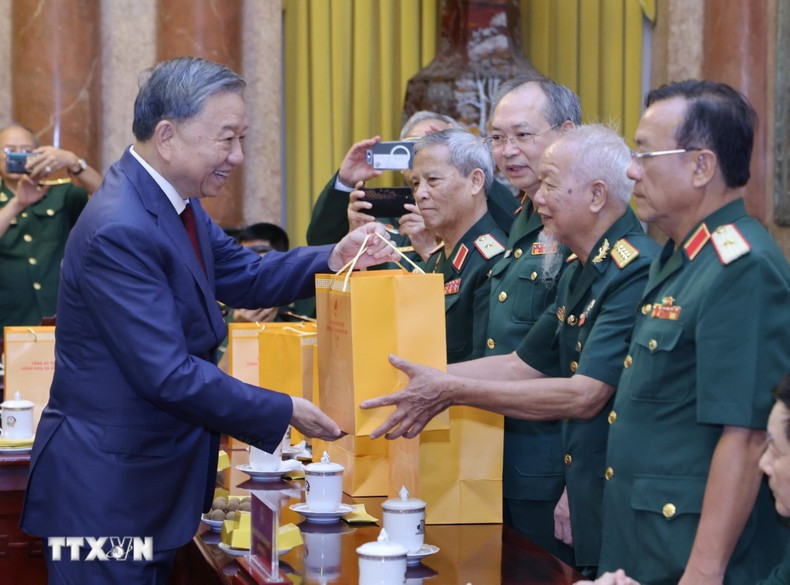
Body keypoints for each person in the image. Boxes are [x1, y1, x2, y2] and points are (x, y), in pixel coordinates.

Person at [20, 57, 394, 585]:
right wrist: (285, 409)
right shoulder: (120, 227)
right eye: (226, 139)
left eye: (242, 139)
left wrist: (334, 255)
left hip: (145, 485)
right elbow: (168, 374)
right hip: (106, 496)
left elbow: (246, 275)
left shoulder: (173, 203)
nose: (237, 156)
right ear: (167, 136)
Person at [362, 125, 660, 575]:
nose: (537, 199)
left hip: (616, 485)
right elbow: (522, 364)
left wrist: (450, 389)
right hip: (585, 478)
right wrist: (416, 377)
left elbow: (585, 395)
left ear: (597, 195)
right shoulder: (578, 268)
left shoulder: (632, 268)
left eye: (550, 186)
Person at [596, 80, 790, 584]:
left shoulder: (741, 267)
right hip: (646, 540)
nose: (631, 170)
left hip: (691, 555)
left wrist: (702, 573)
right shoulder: (682, 256)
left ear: (702, 166)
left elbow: (746, 435)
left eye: (644, 154)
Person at [482, 75, 581, 561]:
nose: (507, 151)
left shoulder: (581, 218)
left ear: (566, 133)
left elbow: (588, 371)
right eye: (497, 138)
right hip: (506, 454)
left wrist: (575, 484)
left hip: (551, 465)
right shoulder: (525, 210)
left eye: (522, 135)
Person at [305, 110, 518, 258]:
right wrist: (346, 182)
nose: (423, 153)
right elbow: (319, 245)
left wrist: (428, 249)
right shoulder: (380, 207)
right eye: (414, 145)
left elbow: (511, 225)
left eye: (436, 142)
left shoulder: (473, 211)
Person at [410, 128, 507, 364]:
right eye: (415, 183)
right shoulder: (437, 258)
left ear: (475, 181)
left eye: (433, 180)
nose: (420, 194)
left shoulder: (494, 261)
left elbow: (488, 366)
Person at [0, 124, 102, 329]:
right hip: (9, 319)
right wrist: (17, 204)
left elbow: (108, 196)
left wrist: (74, 162)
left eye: (26, 150)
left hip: (61, 318)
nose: (18, 156)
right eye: (9, 150)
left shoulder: (60, 193)